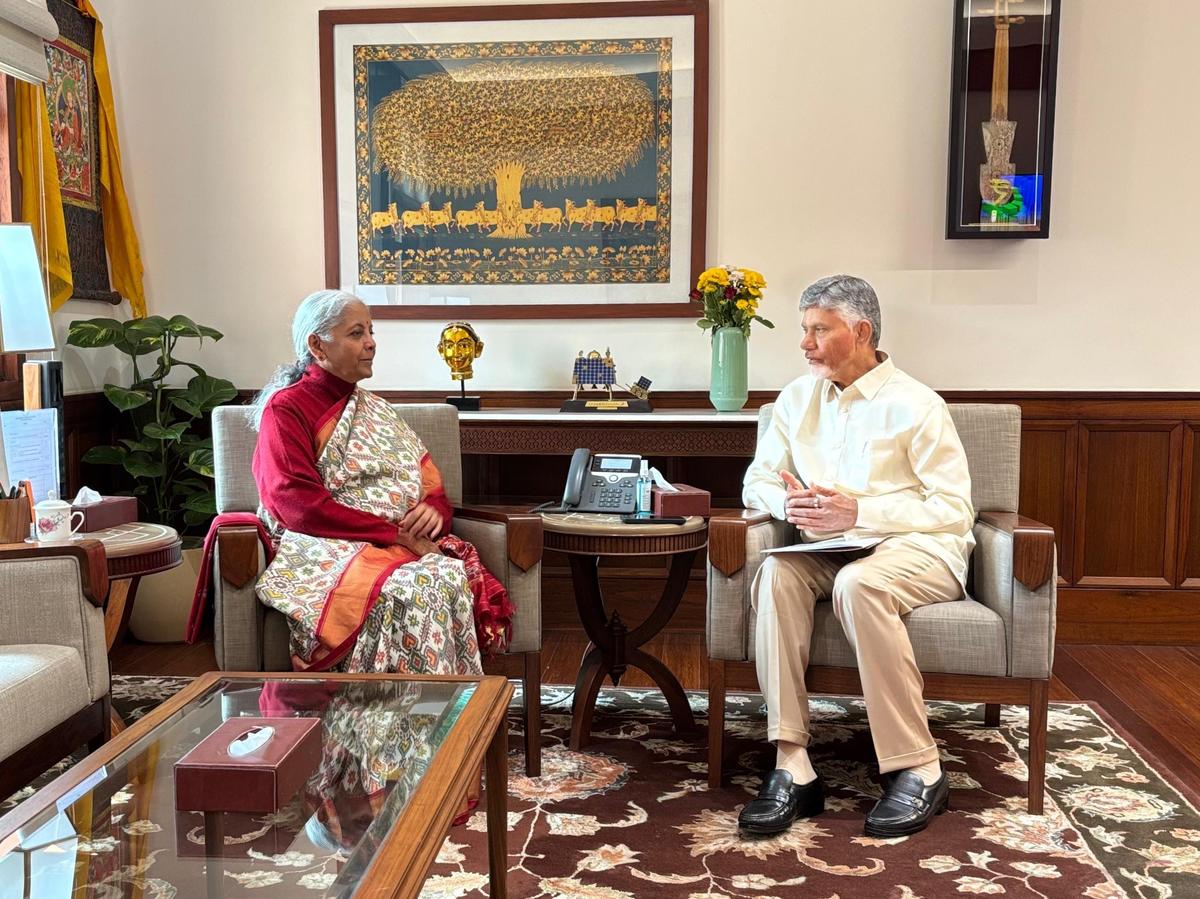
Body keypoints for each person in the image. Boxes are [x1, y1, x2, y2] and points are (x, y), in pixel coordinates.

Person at [736, 275, 974, 839]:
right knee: (775, 573)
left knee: (859, 586)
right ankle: (792, 764)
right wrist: (791, 504)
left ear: (861, 331)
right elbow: (757, 481)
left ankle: (919, 766)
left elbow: (953, 506)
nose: (805, 343)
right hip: (830, 546)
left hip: (918, 548)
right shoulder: (795, 399)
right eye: (805, 330)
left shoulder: (917, 404)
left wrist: (859, 514)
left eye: (820, 330)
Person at [250, 289, 511, 676]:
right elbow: (297, 505)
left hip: (395, 541)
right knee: (414, 590)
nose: (371, 343)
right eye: (356, 333)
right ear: (317, 345)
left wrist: (433, 511)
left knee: (445, 576)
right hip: (324, 546)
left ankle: (450, 716)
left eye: (371, 331)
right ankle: (381, 717)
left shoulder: (377, 409)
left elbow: (429, 483)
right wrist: (393, 534)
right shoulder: (287, 408)